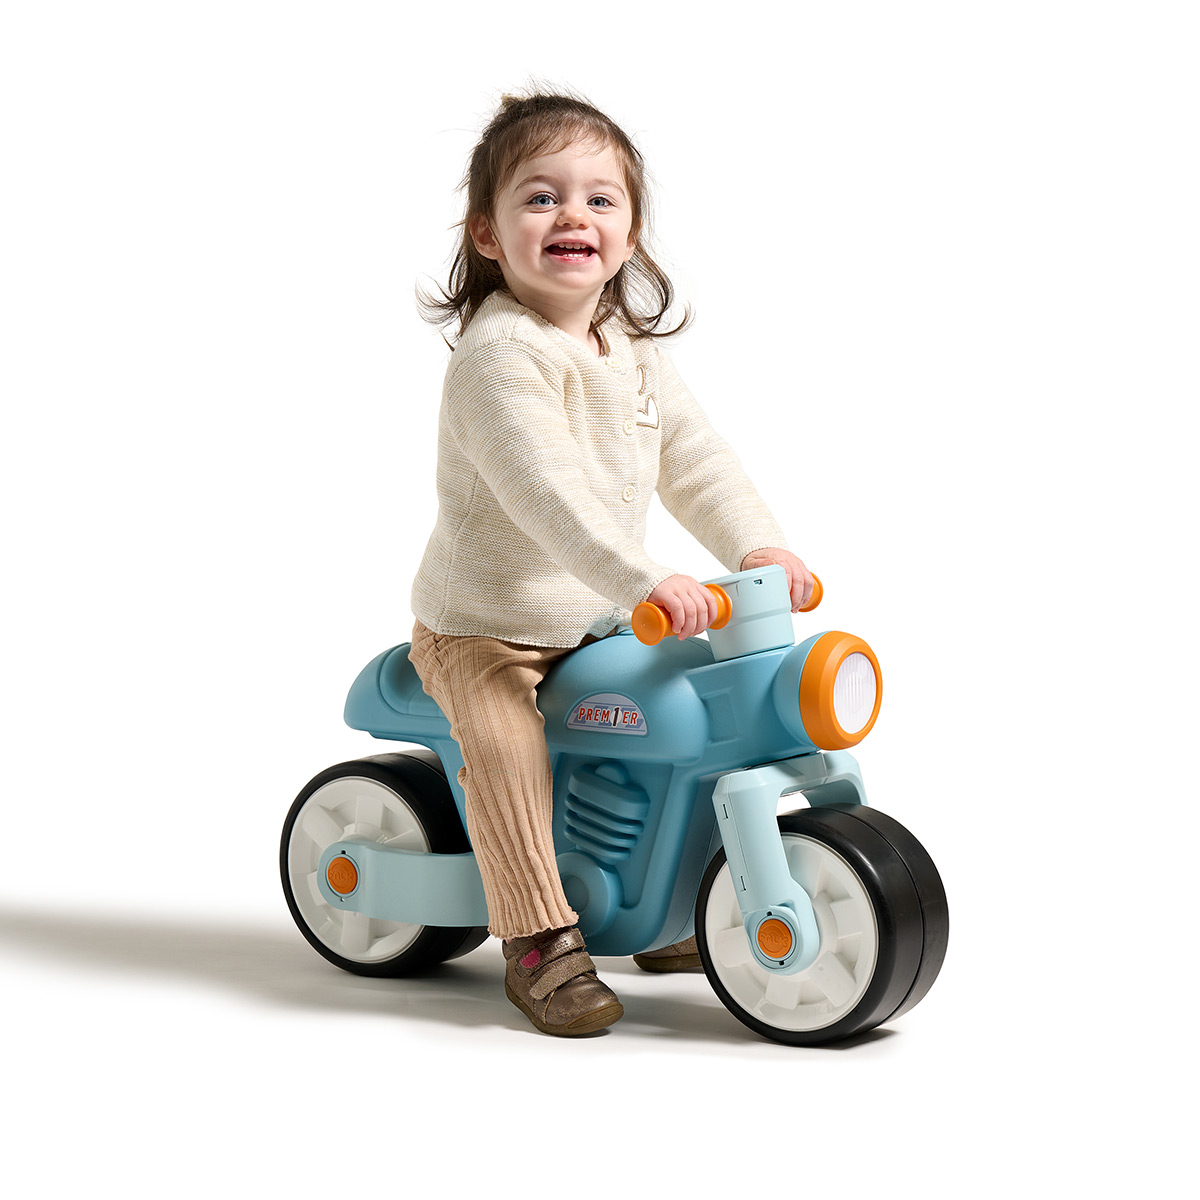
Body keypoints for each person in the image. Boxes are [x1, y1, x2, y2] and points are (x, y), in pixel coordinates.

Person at [409, 89, 814, 1036]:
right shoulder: (499, 356)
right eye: (540, 197)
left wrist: (757, 544)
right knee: (507, 753)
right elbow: (547, 496)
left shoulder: (629, 351)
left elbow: (695, 456)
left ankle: (667, 890)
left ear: (630, 237)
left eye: (600, 199)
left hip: (595, 620)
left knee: (689, 711)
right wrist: (643, 581)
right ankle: (537, 938)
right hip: (485, 630)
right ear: (488, 234)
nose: (573, 215)